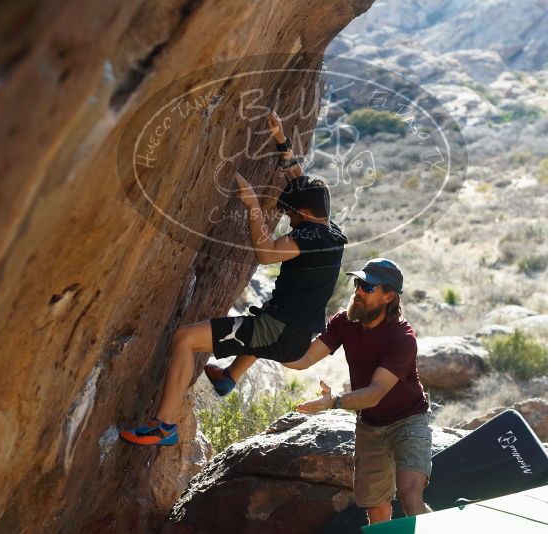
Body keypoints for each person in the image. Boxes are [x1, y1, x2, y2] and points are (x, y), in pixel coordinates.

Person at [119, 112, 348, 446]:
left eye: (290, 214)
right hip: (292, 333)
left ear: (305, 215)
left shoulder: (310, 238)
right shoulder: (332, 230)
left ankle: (163, 426)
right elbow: (302, 182)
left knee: (185, 339)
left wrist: (253, 206)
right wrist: (281, 140)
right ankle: (228, 378)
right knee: (264, 316)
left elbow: (267, 253)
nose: (288, 217)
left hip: (278, 333)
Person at [290, 258, 433, 525]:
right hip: (370, 426)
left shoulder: (402, 338)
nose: (357, 290)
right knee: (376, 510)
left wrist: (335, 402)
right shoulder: (344, 322)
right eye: (358, 283)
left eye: (367, 287)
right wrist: (260, 346)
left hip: (408, 422)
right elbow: (304, 359)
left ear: (388, 296)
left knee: (410, 496)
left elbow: (376, 392)